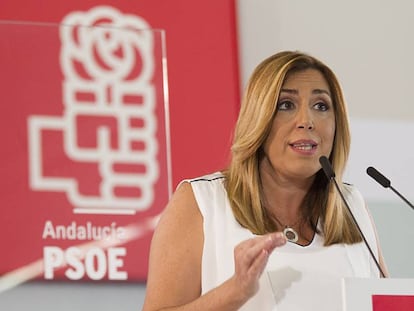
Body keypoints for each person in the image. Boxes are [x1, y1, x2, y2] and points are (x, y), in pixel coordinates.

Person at [142, 51, 388, 311]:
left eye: (321, 106)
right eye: (286, 105)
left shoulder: (352, 205)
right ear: (258, 119)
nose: (307, 121)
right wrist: (234, 293)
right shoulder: (202, 202)